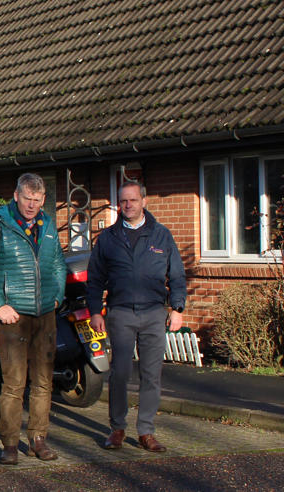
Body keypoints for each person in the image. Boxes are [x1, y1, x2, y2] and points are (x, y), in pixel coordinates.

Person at [0, 173, 66, 465]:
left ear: (44, 200)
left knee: (44, 382)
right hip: (13, 317)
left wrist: (57, 295)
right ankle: (9, 444)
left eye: (37, 200)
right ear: (16, 195)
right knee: (13, 384)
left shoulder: (47, 224)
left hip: (45, 314)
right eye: (27, 199)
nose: (32, 205)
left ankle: (38, 440)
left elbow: (58, 263)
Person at [87, 181, 186, 453]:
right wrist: (96, 311)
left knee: (152, 375)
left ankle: (146, 431)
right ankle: (117, 428)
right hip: (120, 313)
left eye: (132, 200)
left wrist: (176, 309)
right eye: (123, 201)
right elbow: (95, 279)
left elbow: (176, 274)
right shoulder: (108, 238)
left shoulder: (162, 235)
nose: (127, 205)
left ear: (144, 201)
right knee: (119, 373)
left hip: (154, 313)